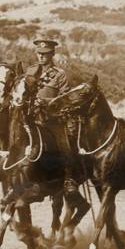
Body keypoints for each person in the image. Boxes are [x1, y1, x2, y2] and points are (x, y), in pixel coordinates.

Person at [27, 39, 80, 195]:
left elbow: (65, 97)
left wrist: (45, 102)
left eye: (45, 54)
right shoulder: (30, 72)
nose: (41, 57)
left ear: (52, 54)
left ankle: (69, 178)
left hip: (50, 119)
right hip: (31, 117)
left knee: (64, 141)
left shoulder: (59, 74)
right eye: (39, 53)